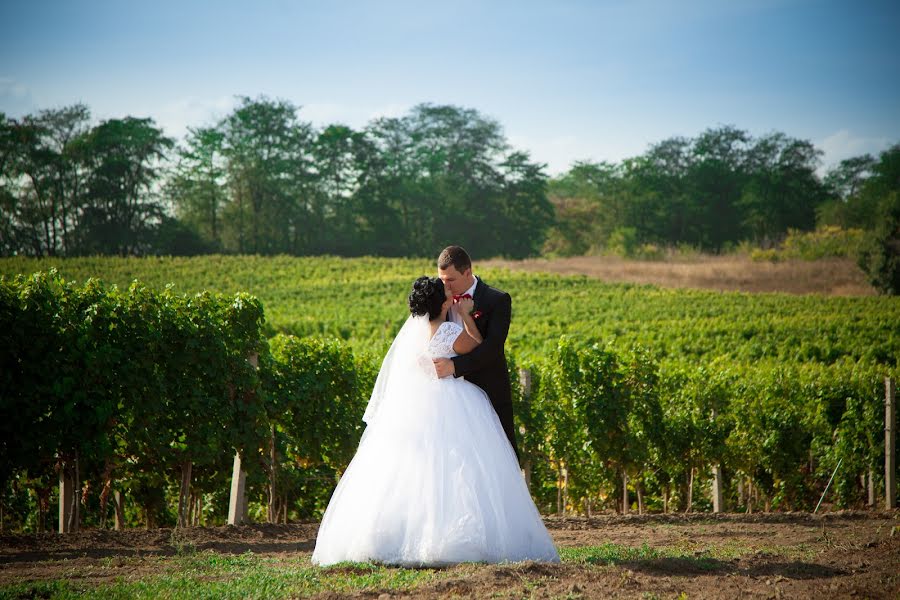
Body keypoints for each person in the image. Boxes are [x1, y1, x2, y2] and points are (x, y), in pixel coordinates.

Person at [310, 275, 559, 567]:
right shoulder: (448, 331)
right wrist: (466, 315)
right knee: (457, 466)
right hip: (450, 398)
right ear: (442, 303)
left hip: (416, 401)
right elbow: (477, 343)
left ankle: (394, 536)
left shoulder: (415, 334)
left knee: (412, 467)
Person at [432, 245, 519, 459]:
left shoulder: (497, 300)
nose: (445, 286)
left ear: (467, 272)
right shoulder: (438, 299)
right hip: (450, 401)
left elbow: (493, 348)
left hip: (489, 392)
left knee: (499, 461)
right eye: (441, 279)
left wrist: (455, 367)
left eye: (450, 280)